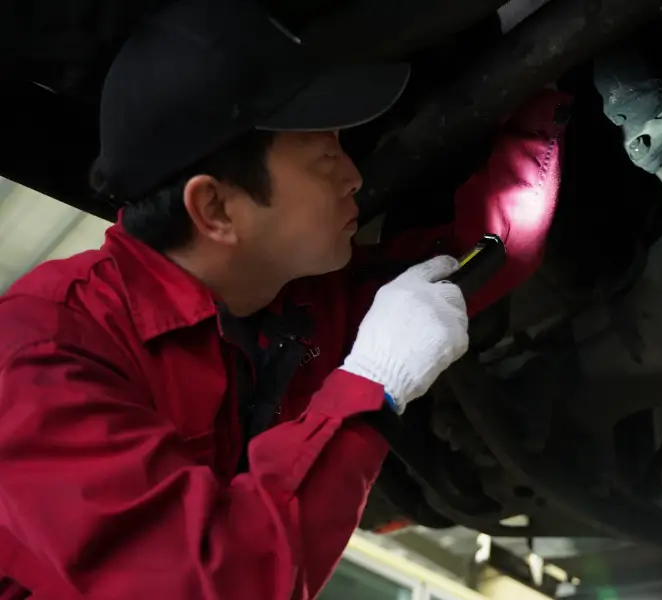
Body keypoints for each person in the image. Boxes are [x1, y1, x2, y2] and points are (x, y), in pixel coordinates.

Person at [0, 0, 569, 598]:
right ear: (215, 208)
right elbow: (217, 586)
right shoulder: (39, 359)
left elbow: (473, 260)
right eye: (325, 156)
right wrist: (373, 386)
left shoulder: (290, 306)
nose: (353, 176)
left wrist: (543, 71)